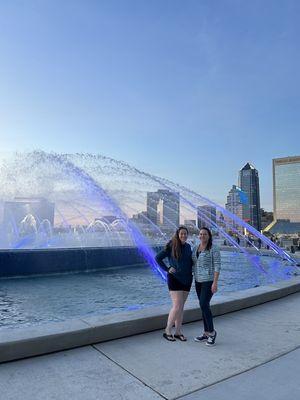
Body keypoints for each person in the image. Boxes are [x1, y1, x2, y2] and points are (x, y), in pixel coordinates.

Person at [155, 226, 193, 342]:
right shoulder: (171, 245)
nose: (183, 236)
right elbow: (157, 258)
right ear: (177, 234)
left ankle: (178, 332)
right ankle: (167, 330)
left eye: (185, 234)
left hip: (187, 280)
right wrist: (167, 269)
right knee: (176, 306)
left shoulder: (188, 247)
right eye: (181, 234)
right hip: (174, 278)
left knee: (181, 308)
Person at [192, 227, 221, 346]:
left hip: (208, 281)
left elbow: (217, 265)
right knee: (203, 306)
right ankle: (205, 332)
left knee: (204, 304)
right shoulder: (195, 248)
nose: (202, 236)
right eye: (200, 234)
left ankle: (212, 332)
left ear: (209, 236)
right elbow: (192, 263)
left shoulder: (213, 248)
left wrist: (215, 282)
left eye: (205, 234)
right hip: (198, 280)